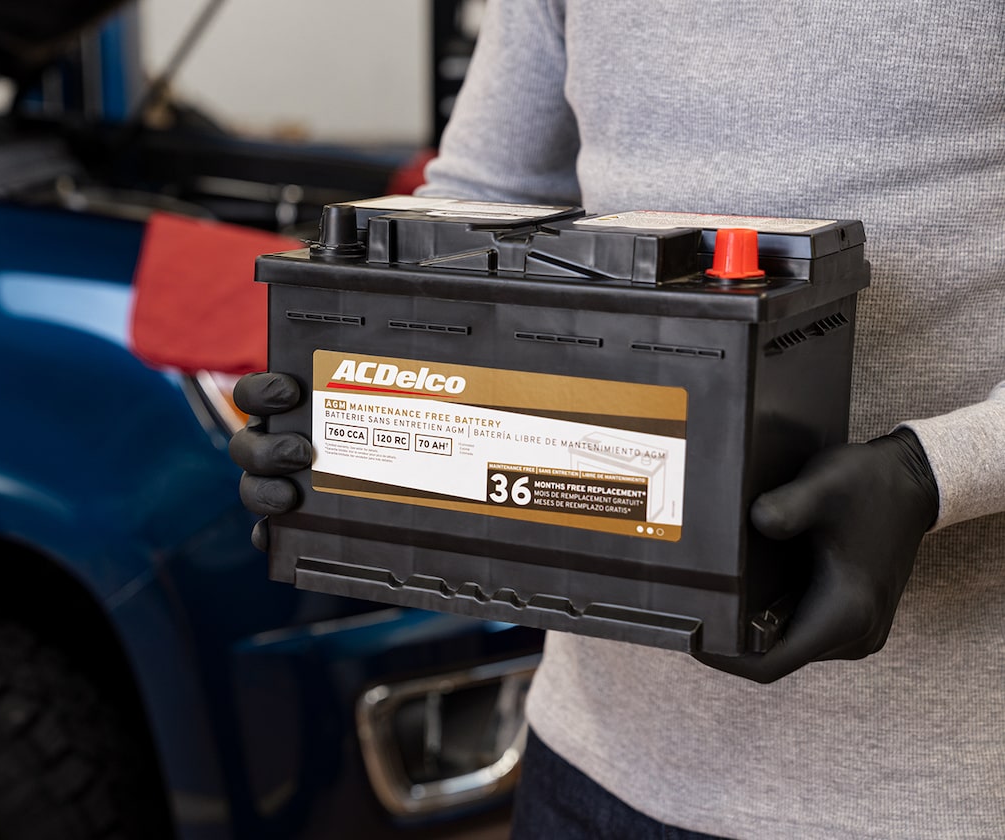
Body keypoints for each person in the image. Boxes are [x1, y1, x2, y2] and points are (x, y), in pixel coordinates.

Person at [230, 2, 1005, 836]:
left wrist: (935, 473)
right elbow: (484, 200)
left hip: (929, 789)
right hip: (590, 758)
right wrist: (355, 401)